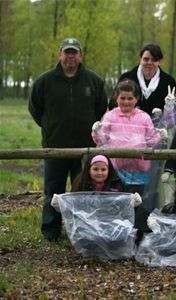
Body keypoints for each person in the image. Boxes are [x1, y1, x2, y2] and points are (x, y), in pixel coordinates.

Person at [28, 37, 108, 241]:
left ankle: (82, 231)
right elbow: (35, 108)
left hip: (85, 148)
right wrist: (50, 127)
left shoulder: (94, 81)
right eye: (67, 52)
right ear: (60, 54)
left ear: (80, 56)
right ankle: (51, 231)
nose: (70, 56)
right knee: (53, 191)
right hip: (55, 147)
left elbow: (100, 108)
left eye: (74, 52)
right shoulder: (44, 82)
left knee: (83, 192)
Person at [92, 79, 166, 240]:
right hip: (116, 170)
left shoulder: (144, 117)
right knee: (118, 202)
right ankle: (117, 235)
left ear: (136, 99)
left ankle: (137, 235)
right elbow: (101, 140)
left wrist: (160, 137)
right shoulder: (110, 116)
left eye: (130, 98)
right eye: (123, 98)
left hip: (139, 171)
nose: (126, 101)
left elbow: (151, 140)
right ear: (116, 98)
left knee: (138, 202)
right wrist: (96, 131)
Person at [109, 43, 176, 118]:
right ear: (140, 59)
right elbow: (112, 105)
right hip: (129, 126)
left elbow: (175, 112)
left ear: (159, 62)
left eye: (154, 60)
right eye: (146, 59)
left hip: (158, 128)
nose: (149, 63)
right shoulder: (127, 78)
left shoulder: (169, 82)